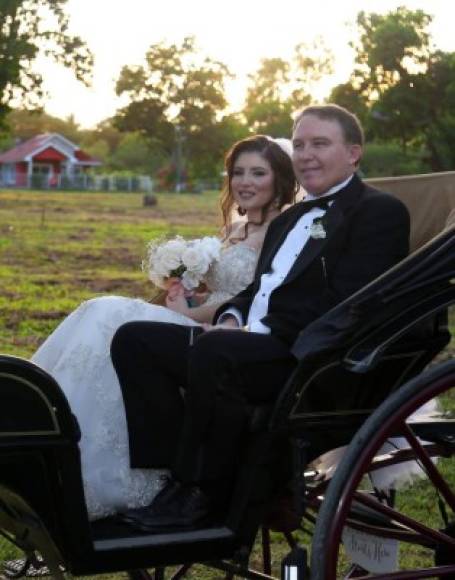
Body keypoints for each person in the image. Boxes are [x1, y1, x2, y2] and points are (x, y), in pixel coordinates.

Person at [111, 104, 411, 533]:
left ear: (354, 153)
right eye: (301, 144)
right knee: (135, 340)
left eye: (320, 144)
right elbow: (259, 290)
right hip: (250, 345)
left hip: (310, 359)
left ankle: (201, 492)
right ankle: (167, 476)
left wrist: (253, 333)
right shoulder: (289, 218)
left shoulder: (378, 212)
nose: (306, 154)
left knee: (215, 350)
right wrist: (233, 320)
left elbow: (348, 303)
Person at [31, 135, 298, 521]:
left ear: (280, 179)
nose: (246, 181)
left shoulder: (282, 233)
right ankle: (57, 439)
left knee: (110, 314)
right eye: (238, 172)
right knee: (100, 311)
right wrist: (184, 296)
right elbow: (218, 291)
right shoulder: (235, 229)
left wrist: (192, 315)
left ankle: (126, 472)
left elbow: (252, 300)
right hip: (198, 319)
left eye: (258, 172)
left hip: (228, 336)